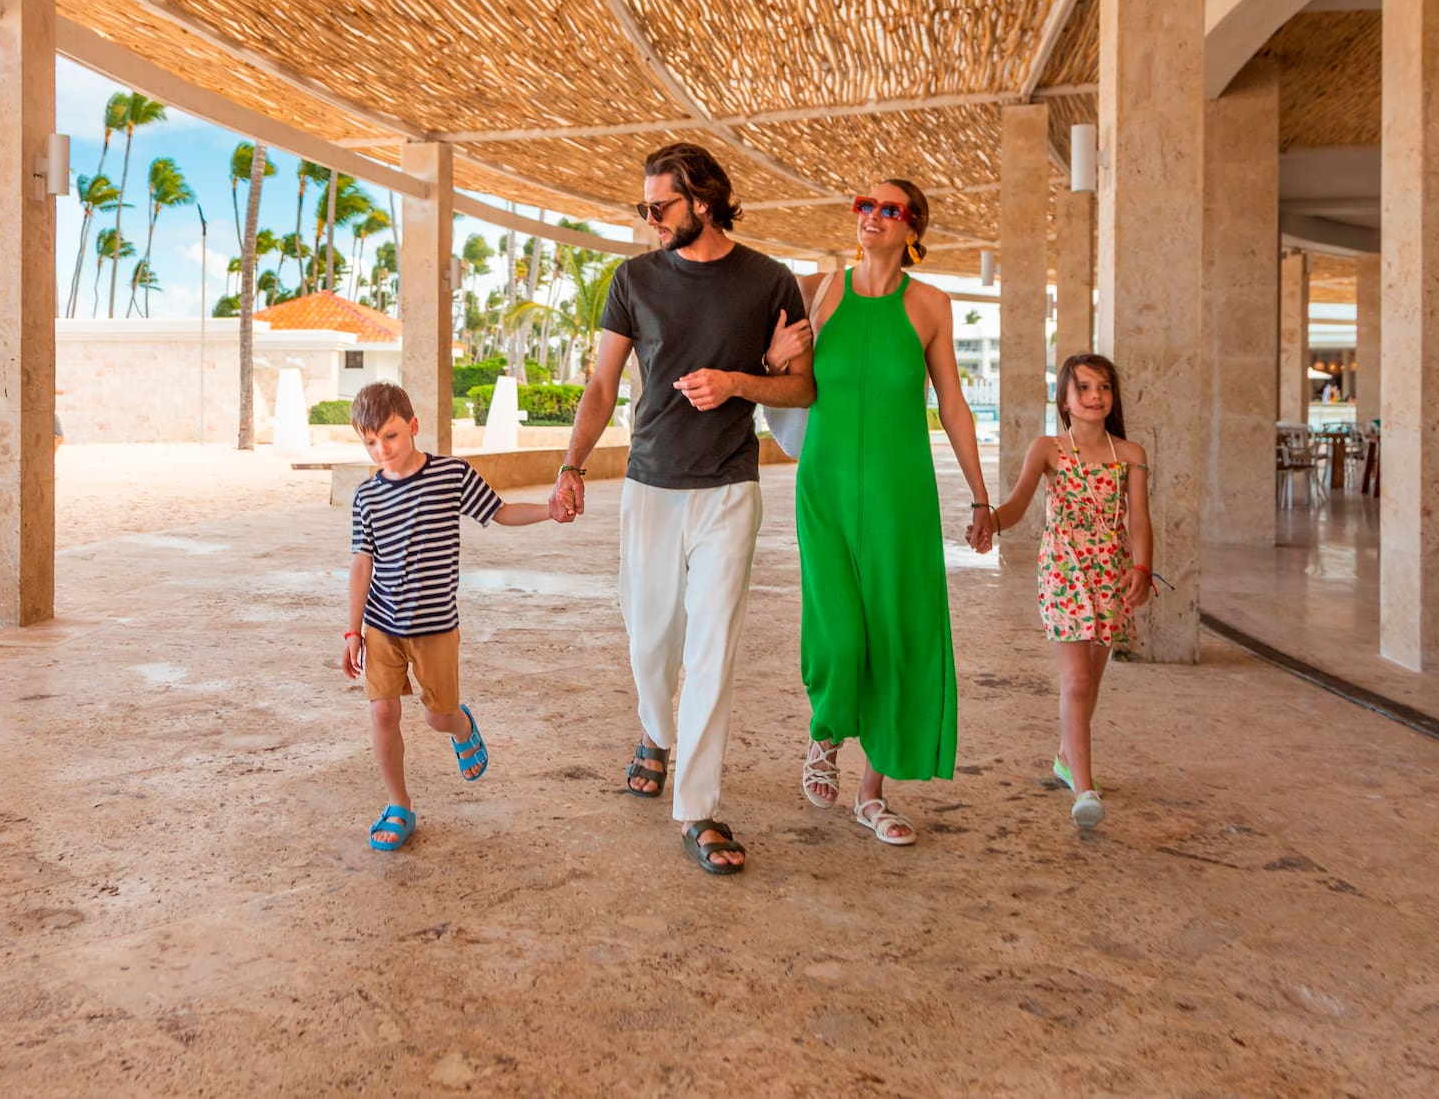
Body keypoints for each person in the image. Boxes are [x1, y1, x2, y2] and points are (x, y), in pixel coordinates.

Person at [554, 143, 814, 875]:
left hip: (730, 490)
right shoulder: (632, 279)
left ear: (702, 199)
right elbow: (603, 386)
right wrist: (572, 465)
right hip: (649, 485)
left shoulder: (770, 281)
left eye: (659, 207)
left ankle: (698, 809)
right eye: (643, 208)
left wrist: (740, 382)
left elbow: (800, 390)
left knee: (710, 653)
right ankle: (654, 732)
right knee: (649, 640)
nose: (649, 221)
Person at [765, 180, 994, 847]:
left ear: (913, 227)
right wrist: (773, 359)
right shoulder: (822, 290)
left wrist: (980, 496)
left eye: (886, 209)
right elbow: (784, 370)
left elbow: (952, 403)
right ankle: (824, 734)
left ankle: (873, 792)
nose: (869, 217)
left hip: (902, 495)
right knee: (838, 631)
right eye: (863, 205)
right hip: (826, 488)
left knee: (897, 634)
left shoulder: (930, 306)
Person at [339, 381, 560, 851]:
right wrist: (352, 630)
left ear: (414, 426)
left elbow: (499, 512)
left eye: (391, 437)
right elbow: (362, 563)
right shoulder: (366, 497)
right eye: (371, 441)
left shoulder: (451, 476)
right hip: (382, 625)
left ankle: (462, 727)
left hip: (436, 627)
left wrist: (549, 510)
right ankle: (399, 804)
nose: (382, 450)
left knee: (438, 718)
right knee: (383, 713)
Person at [988, 353, 1151, 830]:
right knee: (1076, 682)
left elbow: (1139, 518)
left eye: (1103, 388)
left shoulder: (1131, 454)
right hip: (1064, 571)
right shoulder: (1047, 449)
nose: (1095, 396)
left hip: (1112, 573)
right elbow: (1017, 504)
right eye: (1083, 388)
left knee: (1091, 681)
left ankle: (1065, 756)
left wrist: (1143, 566)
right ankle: (1084, 788)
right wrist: (989, 520)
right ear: (1064, 399)